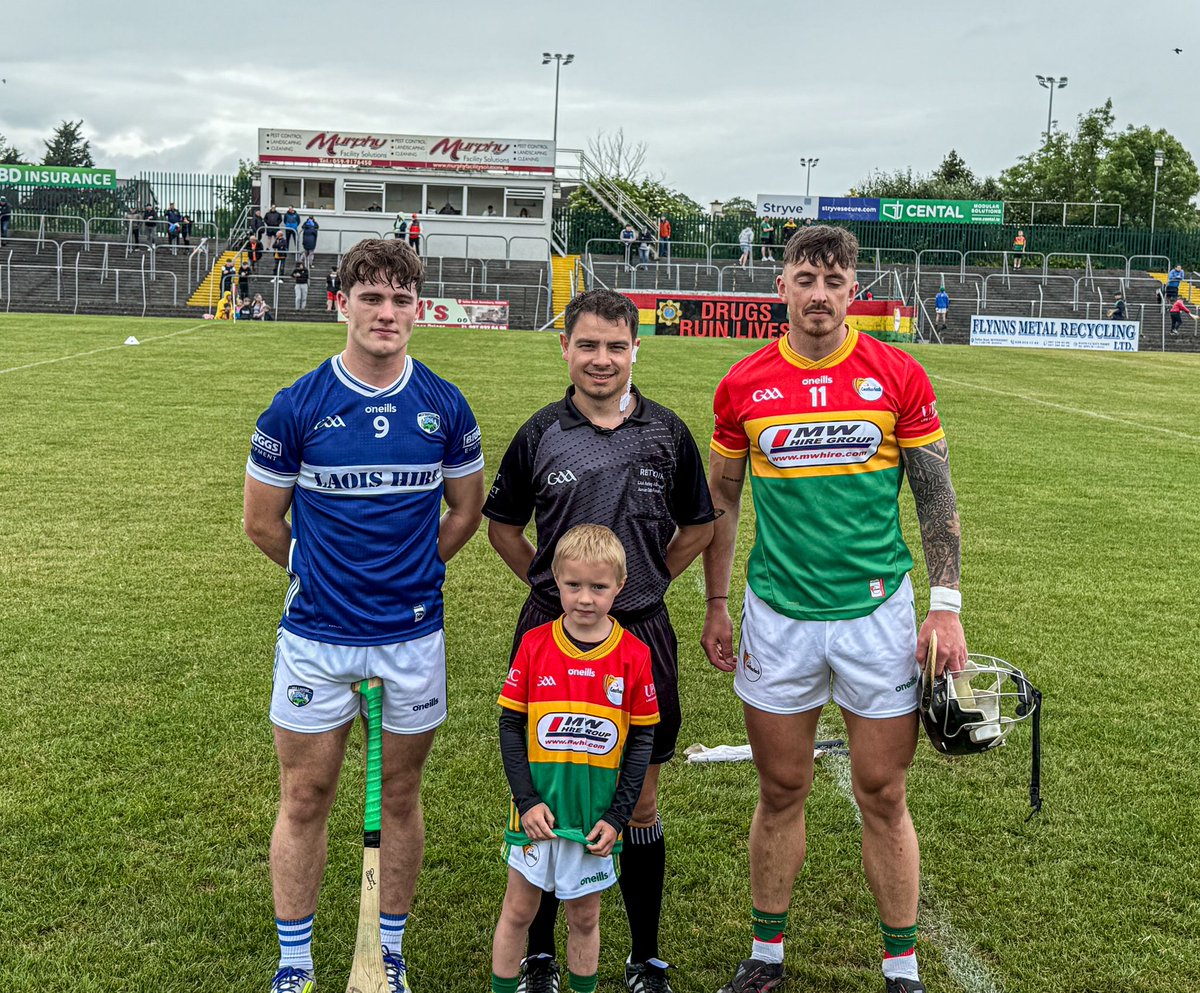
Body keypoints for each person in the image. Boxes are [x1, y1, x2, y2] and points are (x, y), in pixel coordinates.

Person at [703, 225, 966, 993]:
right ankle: (767, 956)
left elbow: (935, 491)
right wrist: (717, 601)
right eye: (804, 277)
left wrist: (944, 606)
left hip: (876, 616)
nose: (818, 293)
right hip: (778, 615)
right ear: (779, 286)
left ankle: (903, 967)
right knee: (780, 788)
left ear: (855, 291)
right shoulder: (743, 382)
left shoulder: (897, 374)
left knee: (883, 792)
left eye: (833, 280)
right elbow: (723, 495)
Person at [244, 238, 485, 993]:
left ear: (418, 308)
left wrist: (412, 572)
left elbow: (466, 509)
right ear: (340, 303)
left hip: (411, 639)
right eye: (371, 297)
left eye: (401, 298)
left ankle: (387, 951)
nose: (388, 312)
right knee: (306, 794)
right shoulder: (297, 406)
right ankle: (295, 960)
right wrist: (320, 573)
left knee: (402, 795)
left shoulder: (443, 404)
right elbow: (262, 522)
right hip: (317, 638)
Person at [484, 288, 715, 993]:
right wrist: (555, 587)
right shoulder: (539, 433)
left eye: (616, 345)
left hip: (640, 635)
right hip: (551, 636)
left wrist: (639, 587)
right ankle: (541, 958)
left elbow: (700, 525)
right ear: (565, 349)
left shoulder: (668, 433)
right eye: (587, 344)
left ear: (636, 349)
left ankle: (644, 958)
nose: (602, 359)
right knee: (551, 792)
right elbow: (501, 524)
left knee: (638, 801)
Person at [491, 524, 659, 993]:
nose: (585, 598)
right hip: (535, 817)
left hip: (593, 824)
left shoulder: (634, 655)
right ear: (555, 580)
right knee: (518, 912)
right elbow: (510, 727)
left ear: (619, 587)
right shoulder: (534, 645)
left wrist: (619, 815)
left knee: (585, 918)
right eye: (573, 585)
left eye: (598, 587)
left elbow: (642, 740)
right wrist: (526, 802)